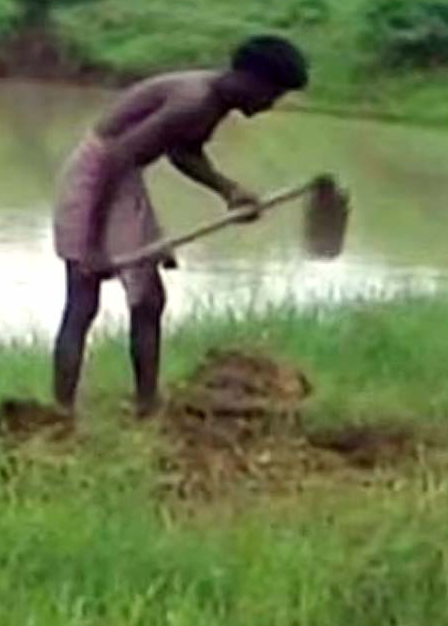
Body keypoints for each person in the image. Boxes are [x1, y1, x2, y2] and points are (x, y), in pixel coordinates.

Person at [52, 35, 309, 418]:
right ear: (250, 80)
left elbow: (181, 150)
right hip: (97, 177)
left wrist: (228, 190)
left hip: (119, 176)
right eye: (273, 94)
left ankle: (145, 406)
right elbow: (118, 156)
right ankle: (62, 413)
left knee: (147, 300)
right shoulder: (195, 101)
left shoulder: (212, 100)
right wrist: (91, 243)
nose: (270, 105)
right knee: (85, 297)